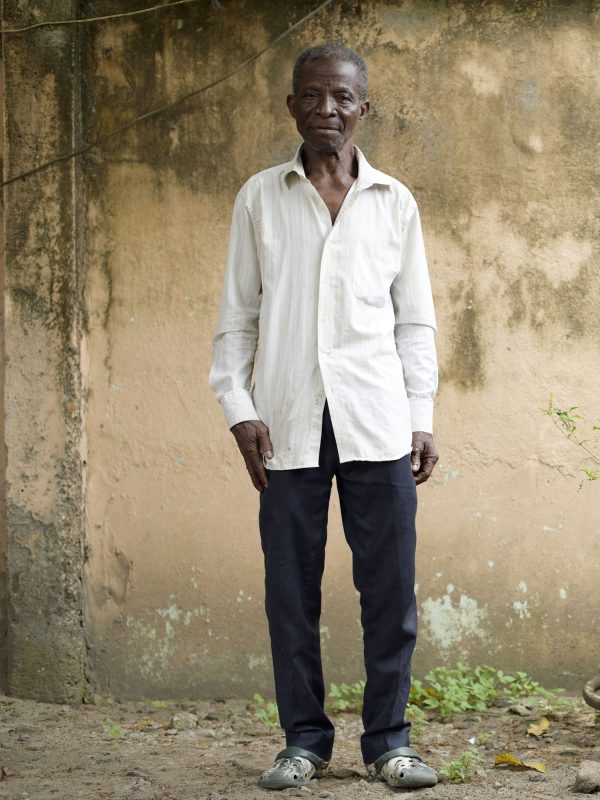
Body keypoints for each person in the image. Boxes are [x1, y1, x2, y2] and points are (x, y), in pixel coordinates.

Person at [208, 42, 440, 791]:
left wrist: (422, 415)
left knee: (390, 594)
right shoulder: (260, 198)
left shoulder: (393, 203)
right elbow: (237, 319)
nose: (326, 110)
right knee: (289, 594)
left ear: (363, 109)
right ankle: (303, 742)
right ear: (292, 107)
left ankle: (389, 743)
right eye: (312, 96)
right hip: (287, 425)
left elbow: (415, 324)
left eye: (341, 98)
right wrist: (239, 409)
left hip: (377, 422)